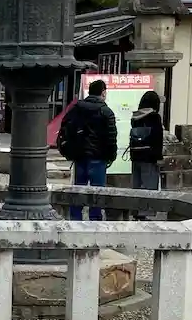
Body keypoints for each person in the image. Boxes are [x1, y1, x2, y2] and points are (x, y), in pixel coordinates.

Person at [57, 78, 118, 221]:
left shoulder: (76, 109)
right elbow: (111, 137)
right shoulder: (106, 112)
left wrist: (69, 150)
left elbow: (65, 127)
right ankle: (95, 220)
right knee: (97, 192)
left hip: (79, 156)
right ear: (103, 93)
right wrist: (111, 156)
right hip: (99, 157)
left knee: (78, 190)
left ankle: (75, 219)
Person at [128, 89, 165, 192]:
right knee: (149, 190)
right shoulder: (154, 117)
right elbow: (157, 138)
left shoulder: (135, 117)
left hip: (135, 156)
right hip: (149, 158)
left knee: (136, 189)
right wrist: (159, 157)